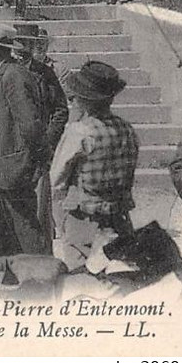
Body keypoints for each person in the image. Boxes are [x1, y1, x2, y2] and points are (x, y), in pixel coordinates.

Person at [50, 61, 139, 270]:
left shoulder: (80, 131)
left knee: (83, 278)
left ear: (82, 99)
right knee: (118, 278)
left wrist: (61, 221)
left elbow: (56, 179)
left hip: (85, 219)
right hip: (119, 217)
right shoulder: (126, 129)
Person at [0, 22, 46, 259]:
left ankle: (41, 281)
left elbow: (30, 125)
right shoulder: (1, 72)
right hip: (0, 170)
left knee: (26, 230)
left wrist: (34, 163)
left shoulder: (14, 76)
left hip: (14, 169)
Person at [12, 23, 69, 252]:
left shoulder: (45, 73)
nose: (21, 47)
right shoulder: (6, 72)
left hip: (38, 152)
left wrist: (46, 141)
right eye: (18, 42)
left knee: (39, 213)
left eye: (27, 42)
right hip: (12, 152)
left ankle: (43, 261)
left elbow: (61, 110)